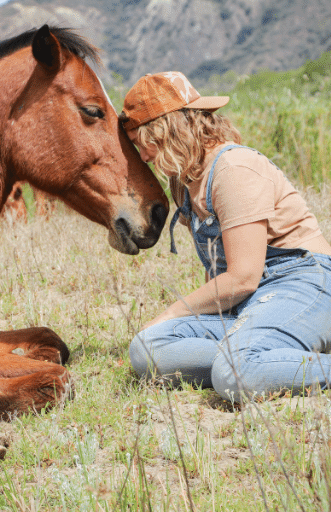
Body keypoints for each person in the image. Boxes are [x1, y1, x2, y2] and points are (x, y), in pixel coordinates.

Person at [119, 71, 331, 402]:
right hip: (251, 302)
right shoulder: (184, 180)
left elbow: (243, 277)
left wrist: (172, 312)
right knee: (146, 348)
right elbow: (219, 270)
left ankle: (256, 359)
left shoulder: (233, 169)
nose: (143, 157)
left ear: (166, 130)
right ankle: (269, 355)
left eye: (142, 144)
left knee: (236, 373)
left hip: (301, 283)